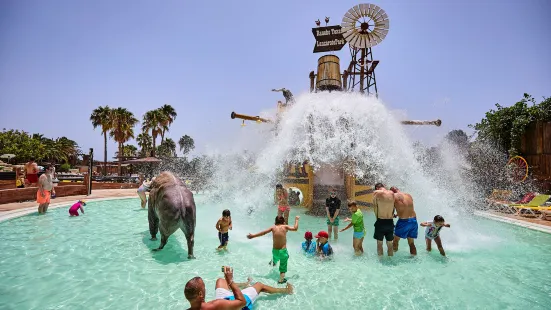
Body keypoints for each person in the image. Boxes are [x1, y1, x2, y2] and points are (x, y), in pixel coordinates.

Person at [184, 266, 293, 310]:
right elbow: (242, 302)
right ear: (200, 294)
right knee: (260, 285)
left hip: (225, 302)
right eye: (203, 287)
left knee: (220, 281)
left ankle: (245, 285)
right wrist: (231, 281)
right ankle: (286, 290)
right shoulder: (216, 305)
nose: (205, 289)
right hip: (239, 306)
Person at [247, 215, 300, 284]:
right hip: (283, 251)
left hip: (275, 251)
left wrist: (253, 236)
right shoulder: (285, 226)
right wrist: (296, 220)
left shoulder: (273, 227)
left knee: (275, 259)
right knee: (282, 268)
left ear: (275, 222)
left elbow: (263, 232)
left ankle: (273, 262)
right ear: (283, 222)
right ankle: (281, 280)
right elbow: (295, 228)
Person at [390, 186, 418, 256]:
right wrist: (398, 214)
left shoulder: (394, 196)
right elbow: (406, 207)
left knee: (395, 240)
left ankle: (393, 258)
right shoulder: (408, 195)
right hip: (413, 221)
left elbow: (391, 211)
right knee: (411, 243)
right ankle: (414, 258)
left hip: (404, 222)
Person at [373, 183, 396, 256]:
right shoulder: (392, 193)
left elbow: (375, 208)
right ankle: (390, 259)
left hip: (381, 221)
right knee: (389, 243)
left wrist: (377, 219)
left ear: (377, 188)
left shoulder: (376, 193)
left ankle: (380, 261)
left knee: (379, 243)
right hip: (390, 221)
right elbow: (393, 208)